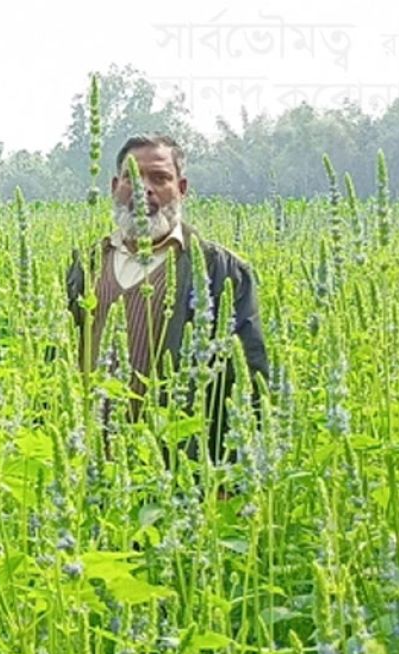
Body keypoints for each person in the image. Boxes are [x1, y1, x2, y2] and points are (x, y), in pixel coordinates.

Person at [66, 133, 268, 463]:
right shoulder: (86, 265)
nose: (144, 189)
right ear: (115, 186)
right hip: (88, 461)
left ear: (182, 188)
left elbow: (246, 376)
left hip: (175, 462)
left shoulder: (221, 271)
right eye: (132, 177)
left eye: (159, 178)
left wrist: (229, 474)